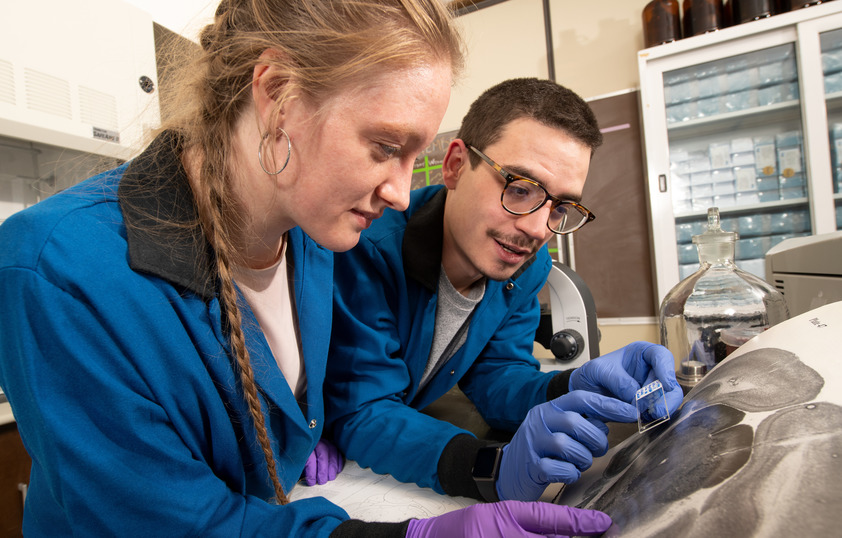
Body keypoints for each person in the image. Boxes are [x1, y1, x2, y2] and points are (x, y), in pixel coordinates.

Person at [0, 2, 613, 537]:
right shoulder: (56, 269)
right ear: (276, 92)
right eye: (383, 147)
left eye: (413, 156)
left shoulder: (316, 243)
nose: (403, 193)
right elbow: (170, 520)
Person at [325, 77, 685, 504]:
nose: (536, 230)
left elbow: (498, 376)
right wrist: (485, 467)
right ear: (456, 165)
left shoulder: (528, 269)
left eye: (561, 207)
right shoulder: (370, 247)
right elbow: (364, 408)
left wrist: (572, 386)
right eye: (519, 188)